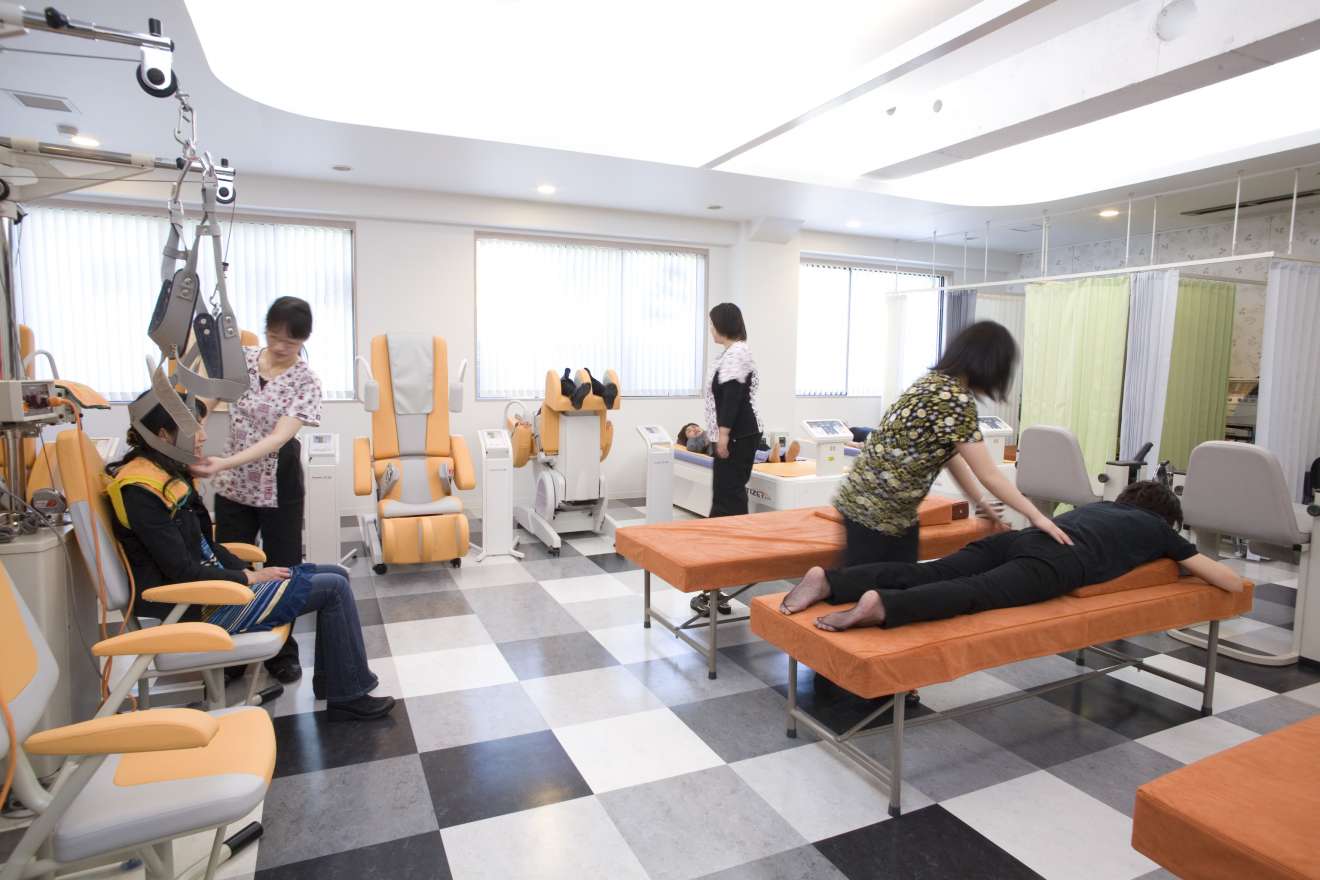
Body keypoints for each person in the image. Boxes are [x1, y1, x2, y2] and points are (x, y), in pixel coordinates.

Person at [108, 392, 395, 721]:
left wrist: (252, 573)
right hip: (198, 606)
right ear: (162, 435)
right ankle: (350, 696)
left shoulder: (165, 476)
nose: (202, 436)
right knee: (333, 587)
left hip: (211, 590)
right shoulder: (142, 490)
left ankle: (336, 683)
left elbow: (206, 546)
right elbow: (182, 571)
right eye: (193, 428)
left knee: (337, 574)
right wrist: (248, 577)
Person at [780, 481, 1244, 631]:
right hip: (1055, 564)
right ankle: (884, 606)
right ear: (1165, 518)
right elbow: (1226, 580)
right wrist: (1183, 556)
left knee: (936, 570)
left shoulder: (1100, 506)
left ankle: (832, 581)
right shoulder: (1157, 529)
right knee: (974, 593)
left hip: (1024, 537)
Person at [833, 321, 1067, 568]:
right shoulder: (955, 399)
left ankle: (830, 582)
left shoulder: (932, 383)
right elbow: (989, 474)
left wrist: (980, 502)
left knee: (899, 580)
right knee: (872, 584)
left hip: (875, 504)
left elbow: (950, 457)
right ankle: (824, 581)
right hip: (878, 512)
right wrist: (1037, 516)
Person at [193, 297, 323, 684]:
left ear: (304, 339)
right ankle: (231, 650)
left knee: (283, 564)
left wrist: (223, 462)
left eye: (291, 341)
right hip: (235, 483)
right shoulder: (243, 361)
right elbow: (206, 398)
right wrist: (195, 421)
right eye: (274, 336)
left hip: (278, 477)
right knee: (230, 562)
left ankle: (282, 652)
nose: (280, 346)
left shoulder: (306, 381)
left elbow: (278, 438)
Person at [695, 302, 762, 616]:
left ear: (723, 324)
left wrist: (722, 436)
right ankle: (720, 583)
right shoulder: (731, 353)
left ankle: (718, 584)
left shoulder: (737, 353)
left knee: (725, 507)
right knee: (727, 504)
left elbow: (733, 398)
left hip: (735, 437)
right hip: (737, 435)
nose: (711, 329)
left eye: (712, 324)